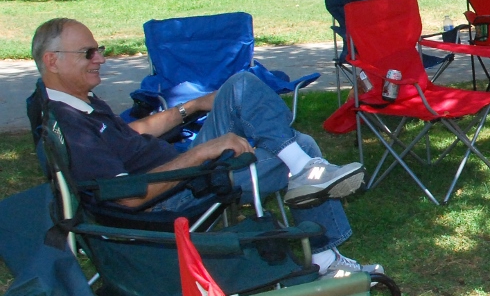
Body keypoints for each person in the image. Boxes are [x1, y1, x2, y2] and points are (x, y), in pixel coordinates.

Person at [32, 17, 380, 276]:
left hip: (181, 171)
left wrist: (192, 106)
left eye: (100, 50)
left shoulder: (76, 102)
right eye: (88, 53)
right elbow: (128, 196)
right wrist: (203, 152)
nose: (100, 59)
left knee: (240, 88)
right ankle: (324, 251)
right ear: (53, 61)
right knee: (298, 142)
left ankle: (310, 194)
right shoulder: (69, 125)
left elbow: (129, 132)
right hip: (173, 193)